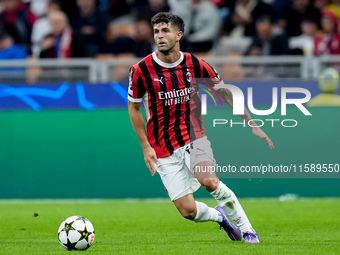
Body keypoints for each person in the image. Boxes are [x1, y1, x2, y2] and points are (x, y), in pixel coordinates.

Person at [128, 12, 274, 244]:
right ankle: (221, 218)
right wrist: (145, 146)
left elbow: (224, 92)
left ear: (179, 34)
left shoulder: (194, 64)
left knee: (209, 181)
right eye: (156, 31)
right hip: (163, 148)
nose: (160, 36)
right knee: (188, 211)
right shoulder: (140, 70)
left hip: (194, 136)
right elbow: (134, 108)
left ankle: (248, 231)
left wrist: (252, 123)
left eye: (165, 31)